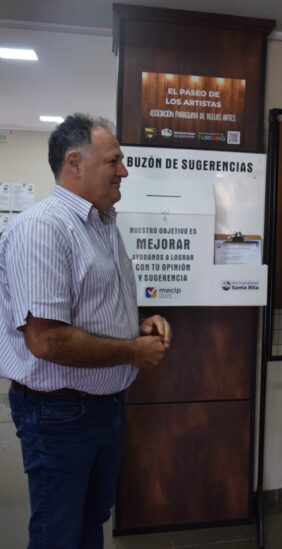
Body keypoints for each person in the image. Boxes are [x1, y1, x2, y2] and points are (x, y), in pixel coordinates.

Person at [0, 113, 172, 549]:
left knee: (91, 522)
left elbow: (89, 311)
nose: (124, 171)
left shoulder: (101, 224)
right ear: (74, 163)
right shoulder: (43, 229)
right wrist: (133, 351)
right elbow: (46, 340)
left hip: (103, 407)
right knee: (58, 533)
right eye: (114, 160)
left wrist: (135, 328)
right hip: (58, 413)